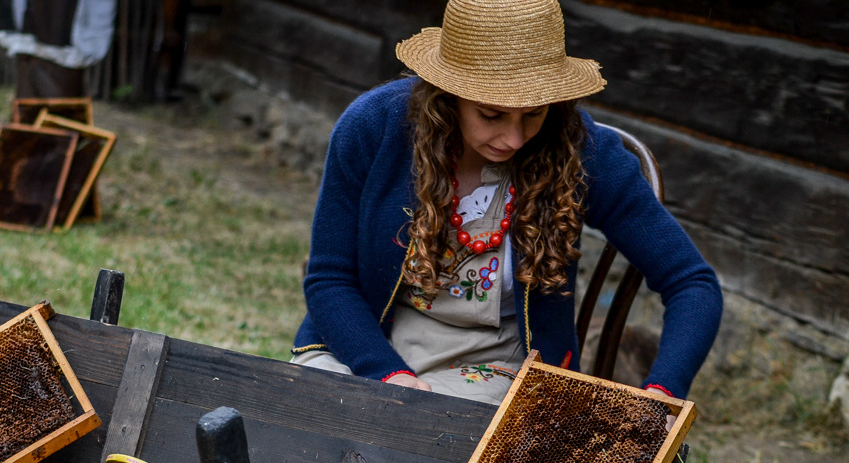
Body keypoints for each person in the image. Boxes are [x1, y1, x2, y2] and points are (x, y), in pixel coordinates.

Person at [291, 0, 722, 405]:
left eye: (534, 113)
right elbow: (330, 277)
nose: (514, 139)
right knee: (305, 415)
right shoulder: (373, 128)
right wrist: (385, 374)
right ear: (447, 95)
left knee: (431, 441)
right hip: (366, 338)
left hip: (494, 363)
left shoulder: (583, 153)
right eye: (492, 114)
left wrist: (664, 389)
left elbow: (691, 282)